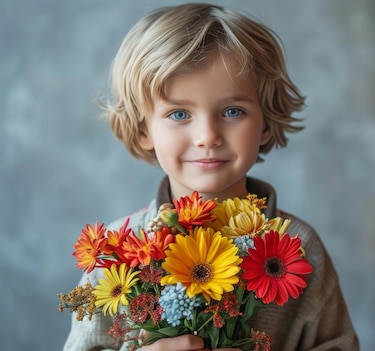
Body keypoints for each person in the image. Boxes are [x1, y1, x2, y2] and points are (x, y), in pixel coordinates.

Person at [62, 3, 359, 351]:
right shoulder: (115, 252)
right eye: (179, 113)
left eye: (233, 111)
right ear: (144, 130)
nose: (207, 136)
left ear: (264, 123)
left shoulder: (300, 248)